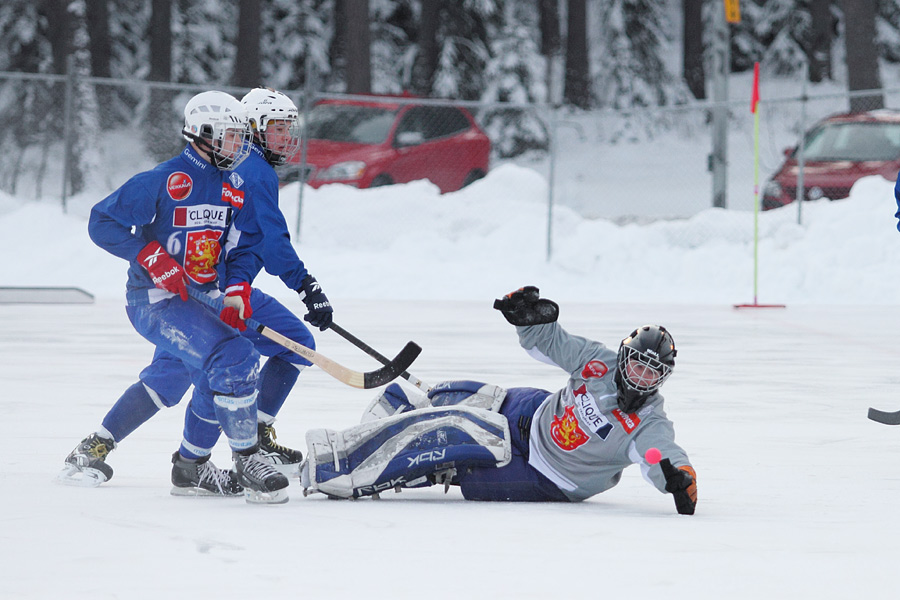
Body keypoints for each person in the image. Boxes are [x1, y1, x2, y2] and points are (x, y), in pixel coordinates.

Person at [60, 90, 290, 504]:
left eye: (242, 137)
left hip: (202, 298)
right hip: (155, 300)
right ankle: (247, 457)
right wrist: (150, 256)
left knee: (191, 373)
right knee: (235, 356)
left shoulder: (235, 186)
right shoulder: (164, 180)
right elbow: (102, 221)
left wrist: (236, 289)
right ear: (203, 134)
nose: (240, 146)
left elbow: (248, 244)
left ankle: (184, 466)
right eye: (232, 137)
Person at [300, 286, 698, 515]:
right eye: (638, 364)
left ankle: (342, 468)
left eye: (653, 372)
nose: (641, 376)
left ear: (662, 377)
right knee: (446, 397)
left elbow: (658, 457)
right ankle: (366, 436)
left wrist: (678, 480)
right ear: (625, 356)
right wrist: (532, 321)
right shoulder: (598, 361)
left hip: (548, 476)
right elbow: (552, 345)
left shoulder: (649, 424)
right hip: (532, 411)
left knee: (454, 442)